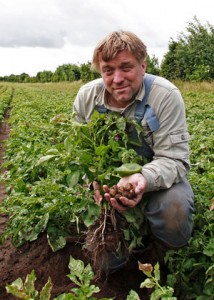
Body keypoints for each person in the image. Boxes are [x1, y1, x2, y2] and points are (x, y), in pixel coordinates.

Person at [73, 30, 194, 276]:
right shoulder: (87, 98)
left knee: (174, 208)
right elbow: (80, 154)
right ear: (100, 72)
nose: (117, 78)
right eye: (108, 70)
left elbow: (176, 160)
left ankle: (163, 256)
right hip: (109, 188)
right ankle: (118, 263)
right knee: (107, 262)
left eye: (126, 67)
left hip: (155, 183)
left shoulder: (164, 95)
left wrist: (142, 179)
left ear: (142, 66)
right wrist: (92, 183)